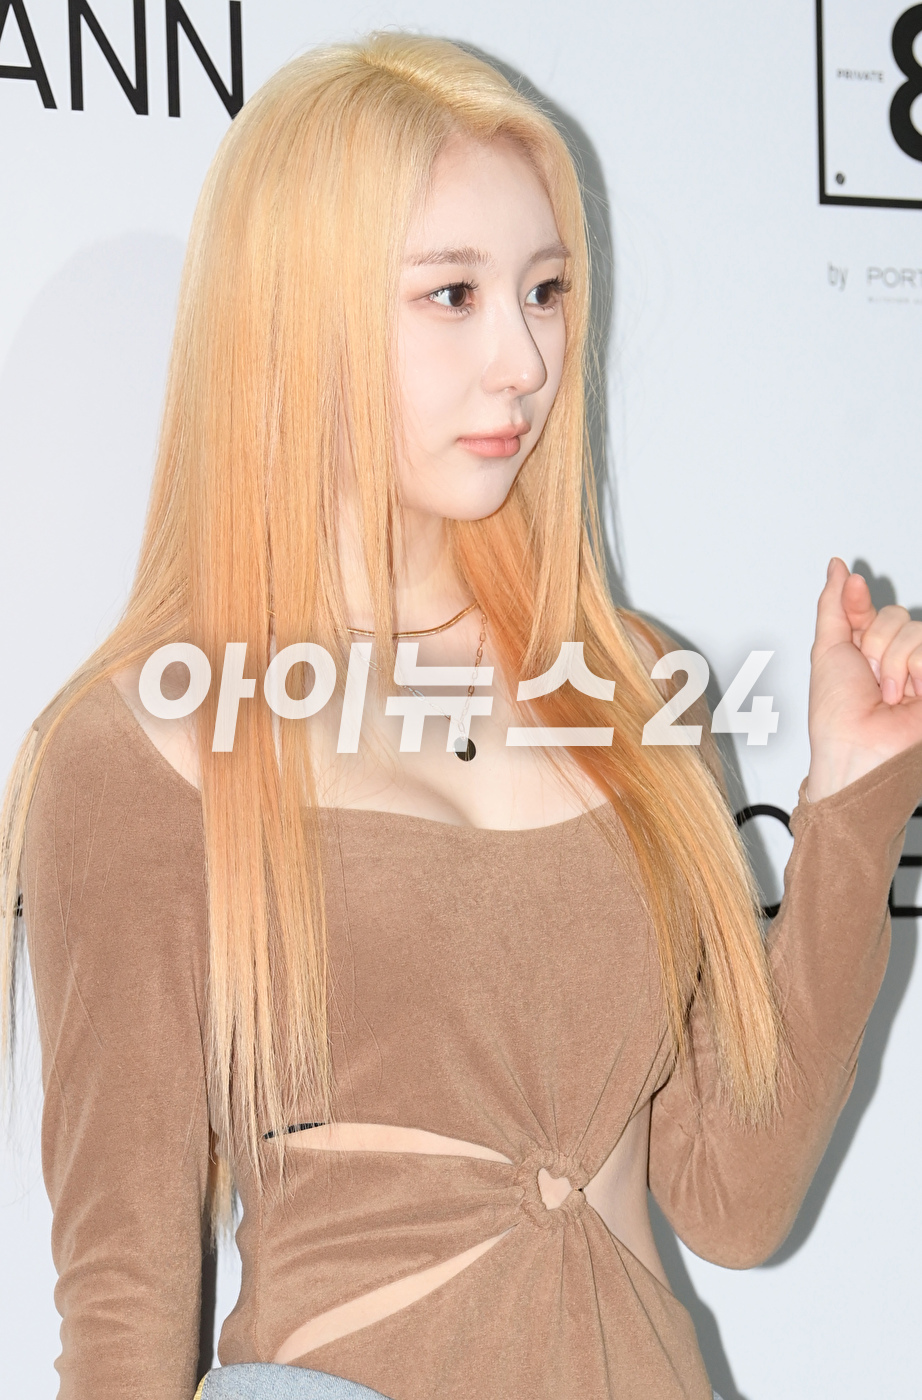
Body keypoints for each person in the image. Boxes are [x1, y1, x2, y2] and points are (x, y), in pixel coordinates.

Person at [3, 31, 922, 1400]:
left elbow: (735, 1196)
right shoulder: (147, 744)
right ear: (294, 320)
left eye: (544, 291)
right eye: (452, 295)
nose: (523, 360)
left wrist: (854, 788)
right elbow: (126, 1301)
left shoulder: (632, 689)